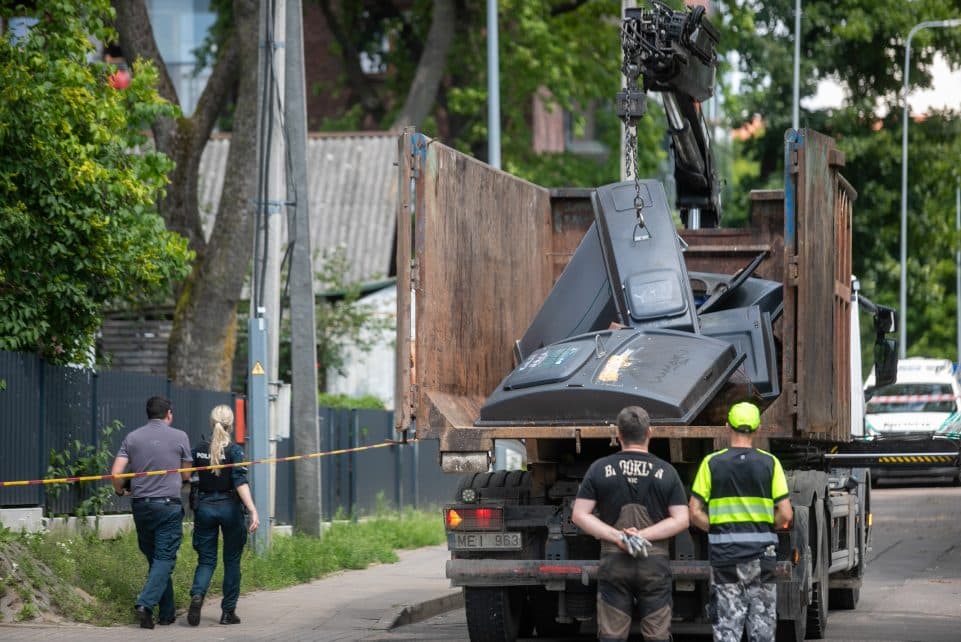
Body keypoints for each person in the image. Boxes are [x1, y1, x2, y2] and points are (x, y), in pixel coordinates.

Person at [571, 406, 690, 642]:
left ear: (618, 435)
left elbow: (579, 515)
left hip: (614, 562)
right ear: (649, 433)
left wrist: (619, 537)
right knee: (657, 637)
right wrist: (642, 535)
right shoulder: (667, 472)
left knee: (611, 637)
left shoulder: (599, 469)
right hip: (654, 565)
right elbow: (682, 519)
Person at [688, 401, 794, 642]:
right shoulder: (770, 463)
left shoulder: (711, 464)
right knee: (762, 629)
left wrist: (714, 528)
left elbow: (694, 511)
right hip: (761, 556)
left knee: (727, 630)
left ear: (727, 427)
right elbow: (786, 514)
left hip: (725, 556)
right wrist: (768, 525)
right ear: (757, 429)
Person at [111, 396, 192, 629]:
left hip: (141, 506)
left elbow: (116, 474)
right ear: (169, 414)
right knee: (165, 558)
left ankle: (166, 614)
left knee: (156, 559)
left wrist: (120, 492)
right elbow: (186, 476)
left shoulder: (132, 437)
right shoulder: (180, 437)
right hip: (168, 506)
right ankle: (145, 604)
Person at [187, 404, 260, 626]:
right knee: (231, 561)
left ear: (212, 423)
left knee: (206, 559)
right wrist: (253, 509)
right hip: (230, 507)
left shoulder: (199, 448)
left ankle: (198, 594)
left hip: (205, 507)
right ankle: (228, 613)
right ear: (231, 424)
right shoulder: (235, 451)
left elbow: (187, 477)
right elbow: (240, 481)